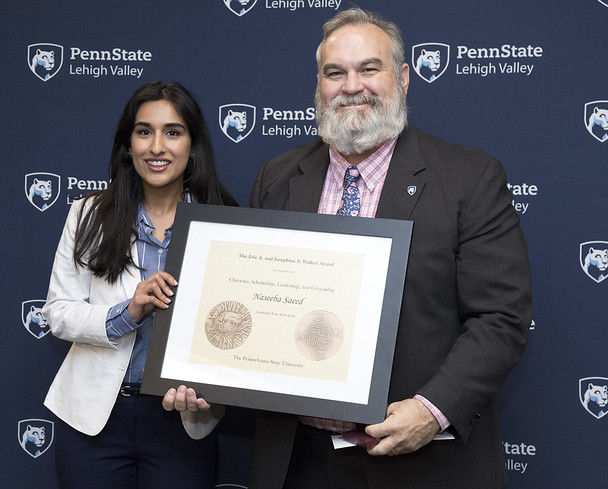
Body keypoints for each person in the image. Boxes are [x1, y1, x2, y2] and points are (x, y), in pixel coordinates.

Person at [245, 8, 531, 489]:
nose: (351, 85)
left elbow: (501, 318)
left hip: (420, 463)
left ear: (402, 77)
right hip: (299, 461)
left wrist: (431, 410)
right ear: (318, 86)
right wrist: (210, 380)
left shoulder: (469, 177)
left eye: (368, 68)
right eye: (335, 72)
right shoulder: (277, 177)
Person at [43, 81, 236, 489]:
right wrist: (126, 313)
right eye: (144, 131)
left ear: (193, 144)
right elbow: (58, 314)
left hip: (182, 420)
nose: (157, 147)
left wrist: (210, 387)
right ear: (128, 144)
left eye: (173, 132)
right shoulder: (88, 214)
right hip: (93, 418)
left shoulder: (224, 222)